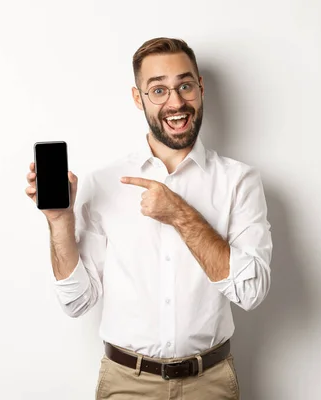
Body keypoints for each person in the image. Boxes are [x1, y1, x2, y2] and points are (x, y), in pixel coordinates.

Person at [25, 37, 273, 400]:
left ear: (200, 88)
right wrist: (60, 221)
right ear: (138, 98)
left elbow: (251, 292)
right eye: (158, 90)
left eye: (185, 86)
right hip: (127, 384)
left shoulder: (239, 182)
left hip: (211, 383)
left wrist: (181, 214)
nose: (175, 103)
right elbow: (77, 302)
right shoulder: (104, 183)